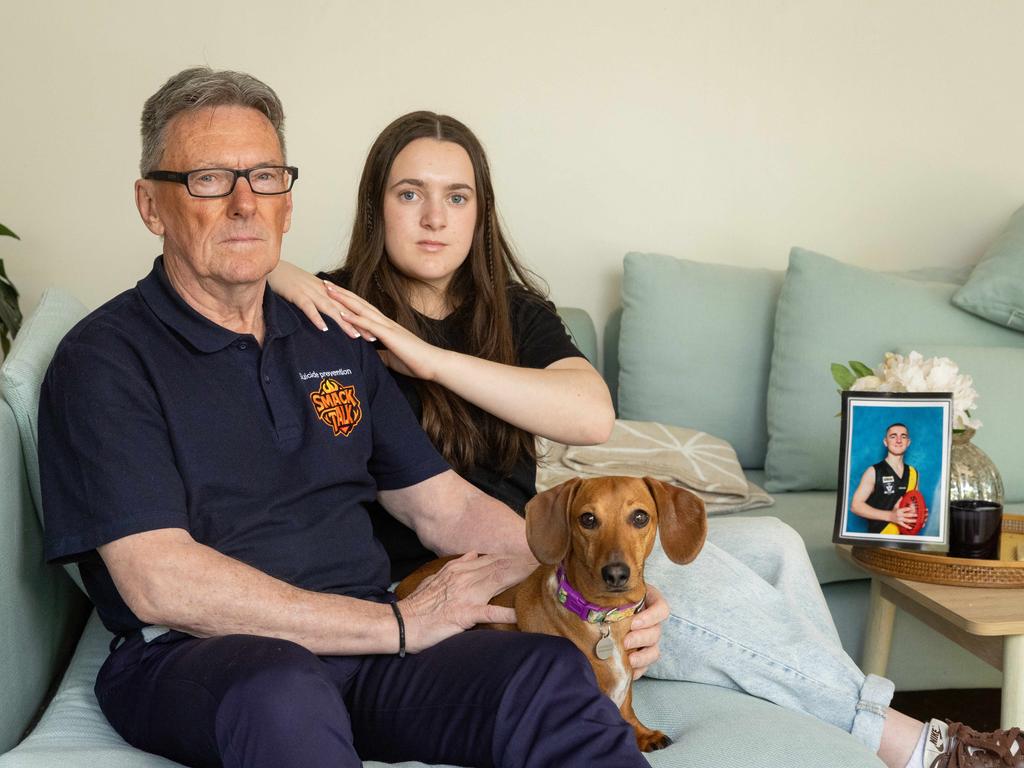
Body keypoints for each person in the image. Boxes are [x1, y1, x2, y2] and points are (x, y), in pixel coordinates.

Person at [268, 111, 1023, 768]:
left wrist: (429, 359)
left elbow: (590, 415)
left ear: (479, 211)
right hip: (460, 569)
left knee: (775, 547)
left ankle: (828, 741)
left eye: (455, 197)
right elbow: (235, 257)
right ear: (377, 206)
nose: (434, 218)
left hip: (532, 542)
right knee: (657, 570)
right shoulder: (336, 317)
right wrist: (283, 273)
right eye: (410, 194)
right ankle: (907, 743)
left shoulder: (513, 312)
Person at [37, 67, 653, 768]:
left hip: (369, 647)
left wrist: (597, 585)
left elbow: (443, 508)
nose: (245, 204)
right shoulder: (104, 361)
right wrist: (393, 622)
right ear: (152, 206)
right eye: (209, 179)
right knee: (283, 694)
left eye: (265, 177)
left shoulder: (332, 337)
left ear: (288, 202)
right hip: (204, 658)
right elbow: (160, 582)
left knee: (544, 676)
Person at [851, 423, 922, 534]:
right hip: (879, 538)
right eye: (893, 436)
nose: (898, 440)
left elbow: (911, 505)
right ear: (885, 442)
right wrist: (890, 516)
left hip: (904, 539)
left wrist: (919, 515)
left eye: (903, 436)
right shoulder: (873, 471)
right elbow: (856, 506)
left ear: (908, 442)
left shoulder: (914, 473)